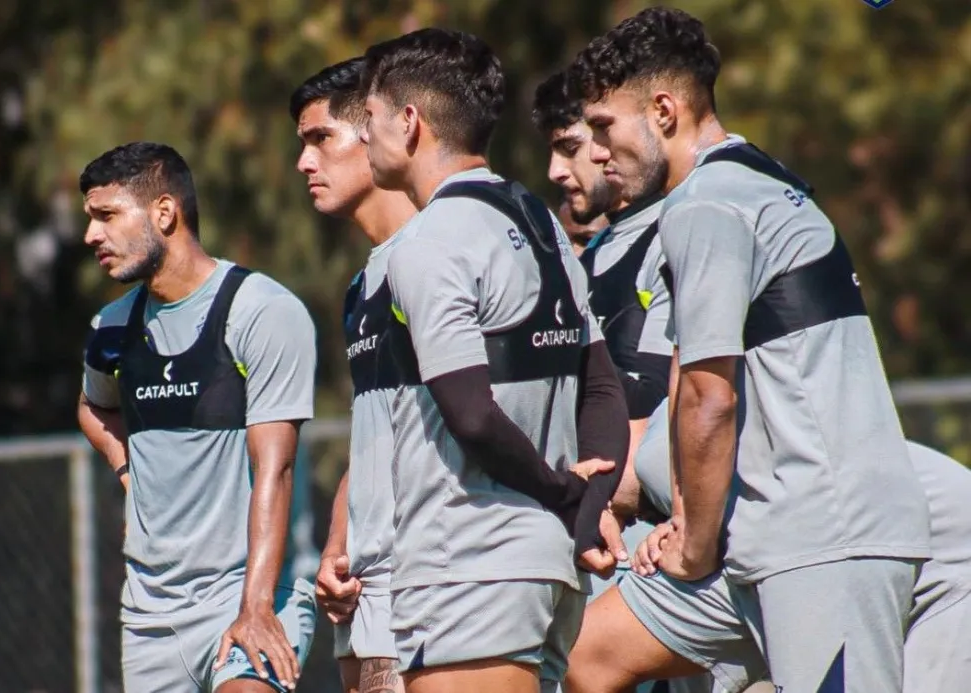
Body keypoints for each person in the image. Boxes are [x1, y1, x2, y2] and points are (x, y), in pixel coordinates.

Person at [567, 7, 931, 692]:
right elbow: (692, 383)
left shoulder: (711, 203)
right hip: (754, 536)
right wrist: (686, 521)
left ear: (664, 111)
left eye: (605, 127)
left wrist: (693, 543)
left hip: (829, 539)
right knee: (589, 656)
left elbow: (710, 395)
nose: (595, 150)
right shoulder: (756, 180)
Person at [360, 27, 630, 693]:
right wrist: (582, 505)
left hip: (468, 568)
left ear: (410, 122)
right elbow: (602, 387)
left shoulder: (428, 241)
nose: (363, 135)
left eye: (367, 118)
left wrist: (563, 492)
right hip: (546, 572)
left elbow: (473, 418)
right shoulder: (538, 220)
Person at [77, 142, 317, 693]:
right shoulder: (111, 328)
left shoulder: (261, 311)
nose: (91, 235)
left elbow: (275, 471)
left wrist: (255, 607)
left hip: (255, 595)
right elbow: (93, 407)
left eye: (106, 215)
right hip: (151, 618)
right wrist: (127, 472)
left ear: (164, 213)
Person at [572, 398, 971, 693]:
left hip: (945, 552)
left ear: (594, 463)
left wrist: (689, 530)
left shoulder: (661, 456)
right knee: (592, 654)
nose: (614, 525)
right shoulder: (668, 441)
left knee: (591, 654)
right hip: (879, 534)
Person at [533, 69, 713, 693]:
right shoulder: (591, 256)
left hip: (680, 537)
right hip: (613, 532)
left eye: (571, 145)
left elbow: (686, 394)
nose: (560, 170)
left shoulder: (691, 224)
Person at [289, 57, 417, 693]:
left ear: (375, 132)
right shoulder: (364, 282)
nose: (305, 163)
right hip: (363, 582)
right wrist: (338, 545)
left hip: (432, 576)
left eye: (320, 139)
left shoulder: (438, 252)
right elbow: (377, 432)